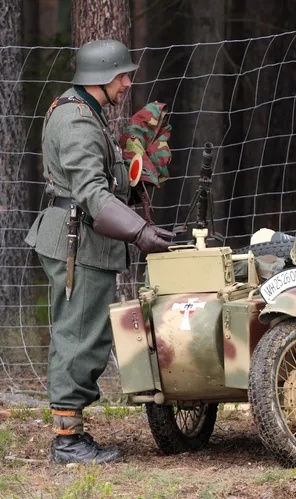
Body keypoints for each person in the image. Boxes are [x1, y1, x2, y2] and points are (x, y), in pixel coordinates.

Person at [25, 39, 174, 464]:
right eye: (122, 76)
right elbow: (90, 193)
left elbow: (98, 181)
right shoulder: (76, 121)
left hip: (82, 237)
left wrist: (134, 173)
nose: (128, 83)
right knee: (79, 337)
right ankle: (68, 441)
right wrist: (140, 232)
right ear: (100, 77)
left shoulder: (84, 111)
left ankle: (70, 433)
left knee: (84, 333)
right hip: (77, 242)